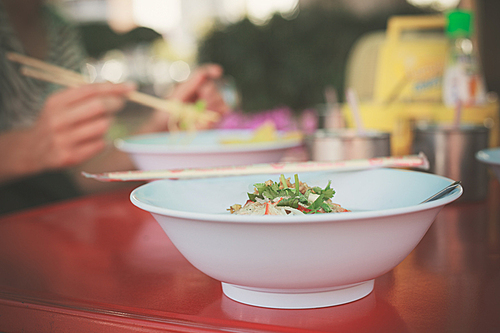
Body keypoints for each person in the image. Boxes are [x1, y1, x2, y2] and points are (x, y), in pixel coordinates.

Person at [0, 0, 229, 214]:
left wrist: (162, 129)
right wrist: (29, 147)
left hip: (55, 222)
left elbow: (83, 177)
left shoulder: (58, 27)